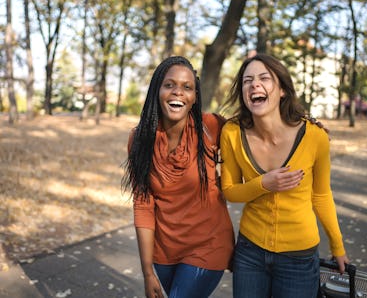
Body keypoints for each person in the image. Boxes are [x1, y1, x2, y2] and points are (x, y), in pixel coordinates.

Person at [219, 53, 349, 298]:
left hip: (298, 258)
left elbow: (321, 196)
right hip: (250, 252)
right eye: (247, 80)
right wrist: (264, 184)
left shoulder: (314, 136)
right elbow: (230, 190)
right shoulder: (232, 133)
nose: (254, 84)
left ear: (282, 90)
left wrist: (337, 245)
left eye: (264, 78)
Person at [121, 56, 234, 298]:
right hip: (164, 252)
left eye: (187, 87)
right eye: (169, 85)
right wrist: (147, 271)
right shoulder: (139, 138)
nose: (178, 93)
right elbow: (143, 204)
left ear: (194, 97)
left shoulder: (210, 126)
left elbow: (256, 130)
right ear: (157, 90)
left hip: (209, 244)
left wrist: (302, 126)